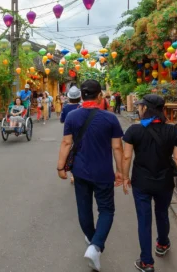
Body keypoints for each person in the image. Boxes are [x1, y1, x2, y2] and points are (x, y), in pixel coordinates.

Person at [121, 94, 177, 272]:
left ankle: (146, 262)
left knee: (144, 220)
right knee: (162, 213)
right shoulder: (172, 131)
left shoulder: (134, 131)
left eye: (140, 106)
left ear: (145, 108)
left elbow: (126, 156)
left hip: (141, 182)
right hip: (164, 181)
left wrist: (124, 177)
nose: (138, 108)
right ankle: (162, 244)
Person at [57, 80, 124, 271]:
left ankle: (93, 239)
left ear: (82, 96)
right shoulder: (110, 119)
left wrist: (60, 167)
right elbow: (117, 147)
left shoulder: (72, 116)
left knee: (83, 208)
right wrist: (120, 171)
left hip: (80, 171)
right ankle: (95, 246)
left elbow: (65, 143)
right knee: (106, 210)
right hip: (103, 172)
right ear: (100, 95)